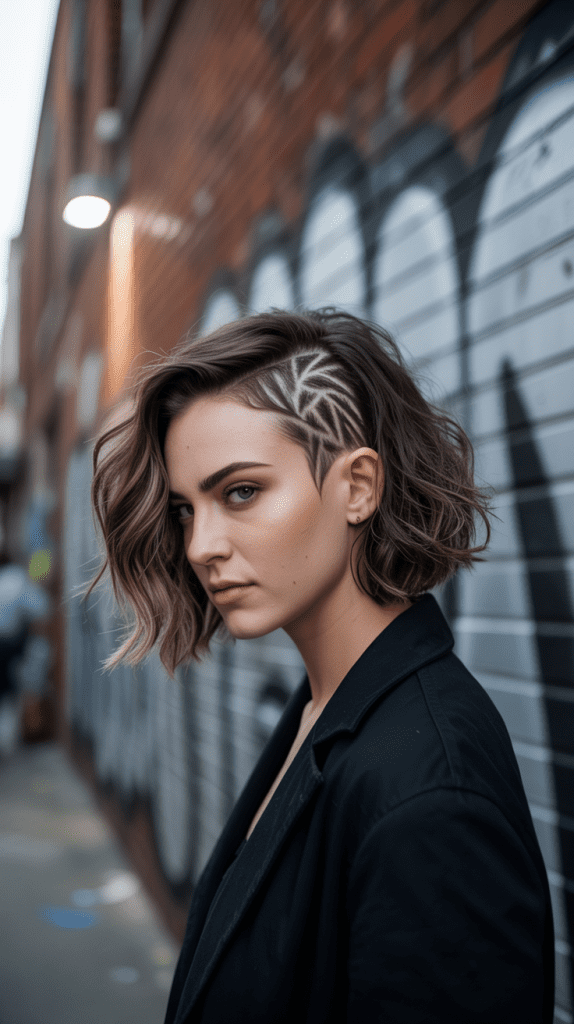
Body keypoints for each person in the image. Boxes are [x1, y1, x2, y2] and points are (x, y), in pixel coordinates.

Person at [90, 309, 554, 1023]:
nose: (200, 546)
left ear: (358, 487)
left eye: (240, 492)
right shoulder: (327, 708)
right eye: (186, 510)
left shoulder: (430, 795)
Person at [0, 554, 51, 756]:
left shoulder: (9, 577)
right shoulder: (20, 580)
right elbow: (42, 609)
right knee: (8, 690)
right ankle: (6, 742)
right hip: (6, 644)